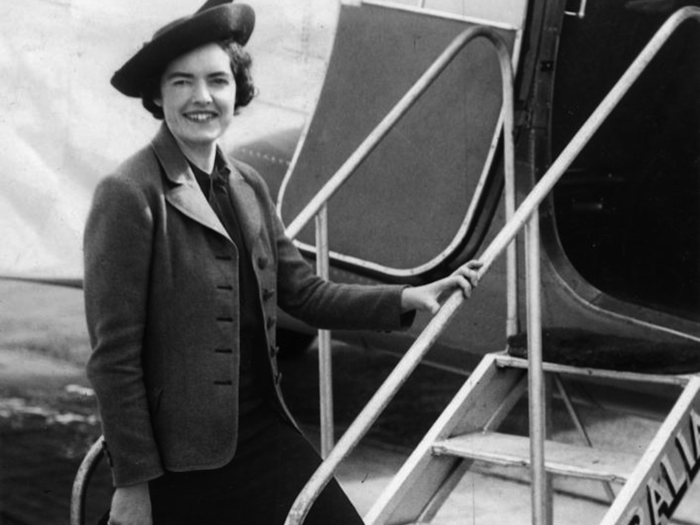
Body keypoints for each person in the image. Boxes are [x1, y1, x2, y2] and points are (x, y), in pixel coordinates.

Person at [83, 1, 482, 524]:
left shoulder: (248, 186)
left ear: (237, 92)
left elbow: (303, 293)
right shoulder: (128, 193)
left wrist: (408, 295)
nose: (202, 97)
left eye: (217, 81)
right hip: (176, 460)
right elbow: (114, 359)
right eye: (181, 82)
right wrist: (132, 485)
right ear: (157, 96)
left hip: (262, 432)